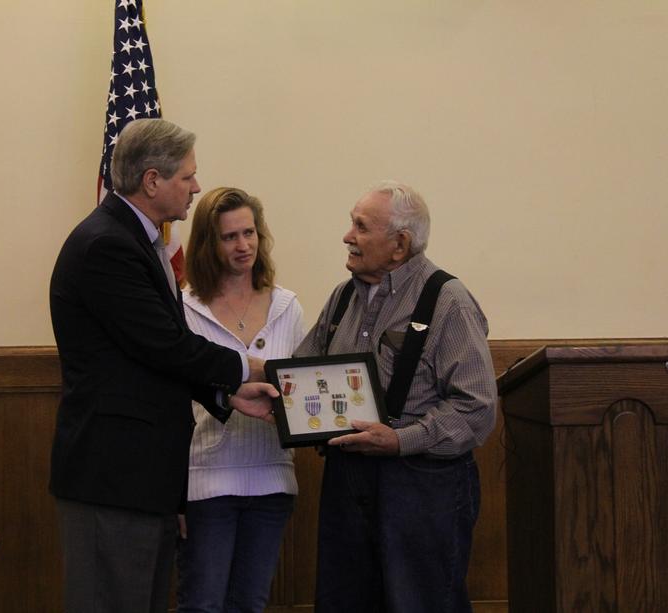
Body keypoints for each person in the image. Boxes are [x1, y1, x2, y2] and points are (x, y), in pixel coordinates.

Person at [48, 118, 278, 613]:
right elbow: (165, 345)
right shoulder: (108, 245)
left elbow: (149, 361)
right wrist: (249, 369)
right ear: (152, 180)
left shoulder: (135, 240)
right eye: (187, 177)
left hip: (139, 480)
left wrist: (224, 394)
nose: (196, 186)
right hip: (113, 480)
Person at [294, 180, 497, 613]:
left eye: (360, 226)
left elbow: (477, 408)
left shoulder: (448, 302)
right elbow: (305, 369)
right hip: (347, 485)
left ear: (400, 245)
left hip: (424, 488)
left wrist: (402, 440)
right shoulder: (343, 296)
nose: (347, 236)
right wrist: (256, 385)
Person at [175, 187, 304, 613]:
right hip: (206, 481)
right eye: (230, 237)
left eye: (249, 233)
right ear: (209, 244)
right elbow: (174, 398)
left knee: (250, 603)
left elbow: (303, 390)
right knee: (203, 604)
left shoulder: (288, 306)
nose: (243, 245)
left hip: (272, 480)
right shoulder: (186, 307)